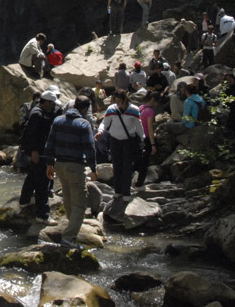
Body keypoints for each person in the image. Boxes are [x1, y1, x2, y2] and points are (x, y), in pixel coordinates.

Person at [44, 95, 97, 248]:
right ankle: (69, 237)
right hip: (76, 166)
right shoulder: (84, 124)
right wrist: (93, 169)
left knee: (67, 197)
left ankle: (70, 227)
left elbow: (50, 143)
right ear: (85, 108)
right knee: (80, 203)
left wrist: (49, 164)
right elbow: (90, 148)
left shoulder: (58, 120)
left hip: (59, 165)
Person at [18, 90, 58, 221]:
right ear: (46, 102)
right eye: (52, 104)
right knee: (43, 182)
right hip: (39, 153)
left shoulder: (38, 111)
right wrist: (34, 151)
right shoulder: (37, 114)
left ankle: (24, 201)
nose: (53, 107)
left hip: (39, 151)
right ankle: (43, 215)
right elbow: (31, 134)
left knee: (32, 176)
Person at [96, 90, 143, 200]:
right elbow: (105, 122)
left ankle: (126, 192)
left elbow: (138, 126)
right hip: (114, 140)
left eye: (119, 102)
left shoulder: (134, 110)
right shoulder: (112, 109)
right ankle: (118, 190)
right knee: (116, 165)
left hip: (128, 141)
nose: (118, 104)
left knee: (127, 166)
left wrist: (142, 138)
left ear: (125, 100)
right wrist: (100, 131)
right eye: (116, 101)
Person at [136, 91, 160, 186]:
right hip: (146, 138)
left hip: (138, 137)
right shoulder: (150, 111)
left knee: (138, 161)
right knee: (144, 163)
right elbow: (150, 129)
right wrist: (153, 145)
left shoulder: (140, 108)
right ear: (153, 100)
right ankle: (139, 184)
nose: (157, 105)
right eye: (157, 102)